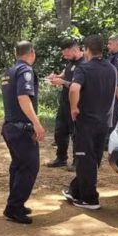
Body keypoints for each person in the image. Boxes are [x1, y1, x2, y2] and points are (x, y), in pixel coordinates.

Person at [65, 35, 118, 210]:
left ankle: (90, 199)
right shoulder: (111, 69)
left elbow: (74, 88)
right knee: (92, 158)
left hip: (86, 121)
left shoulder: (84, 69)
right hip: (105, 122)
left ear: (87, 50)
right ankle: (76, 190)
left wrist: (73, 108)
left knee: (84, 158)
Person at [1, 41, 46, 224]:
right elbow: (22, 97)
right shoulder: (25, 71)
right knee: (30, 167)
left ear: (15, 53)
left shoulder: (8, 72)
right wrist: (37, 124)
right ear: (32, 53)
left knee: (18, 166)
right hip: (21, 128)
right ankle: (14, 207)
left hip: (10, 126)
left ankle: (15, 203)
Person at [46, 40, 84, 170]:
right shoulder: (71, 62)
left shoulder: (84, 64)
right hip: (64, 103)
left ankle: (77, 161)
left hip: (76, 104)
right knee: (60, 131)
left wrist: (62, 82)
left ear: (75, 50)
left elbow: (77, 85)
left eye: (67, 55)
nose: (65, 57)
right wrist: (56, 77)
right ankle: (61, 158)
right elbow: (66, 73)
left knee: (76, 134)